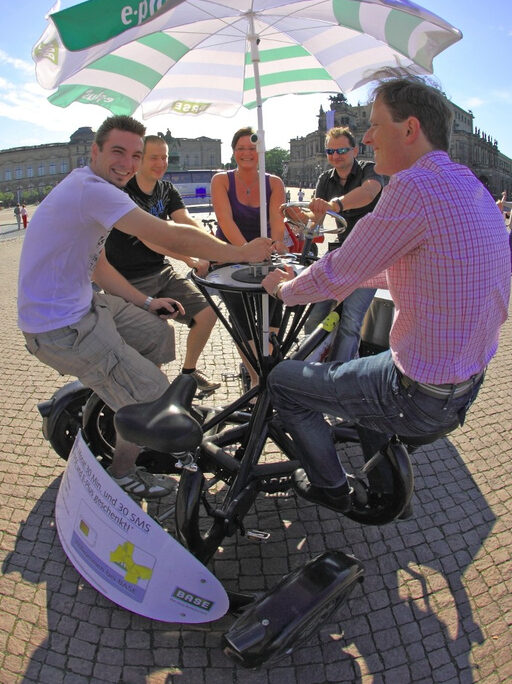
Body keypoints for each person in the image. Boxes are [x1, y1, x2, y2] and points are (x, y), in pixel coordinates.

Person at [262, 77, 510, 513]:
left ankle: (331, 487)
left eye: (375, 125)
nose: (368, 138)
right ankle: (385, 486)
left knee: (282, 381)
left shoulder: (413, 186)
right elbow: (422, 267)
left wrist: (283, 289)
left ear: (410, 129)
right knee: (361, 368)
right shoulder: (469, 184)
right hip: (467, 380)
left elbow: (338, 270)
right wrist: (350, 277)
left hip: (419, 393)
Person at [18, 115, 272, 499]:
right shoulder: (92, 190)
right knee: (152, 392)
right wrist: (239, 253)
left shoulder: (92, 188)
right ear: (95, 151)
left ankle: (124, 398)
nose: (128, 164)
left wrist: (146, 301)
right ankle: (123, 470)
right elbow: (165, 233)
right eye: (118, 152)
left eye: (135, 155)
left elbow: (99, 268)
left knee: (158, 335)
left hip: (85, 306)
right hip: (60, 327)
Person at [105, 135, 219, 393]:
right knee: (154, 336)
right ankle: (154, 393)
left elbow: (185, 221)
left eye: (164, 157)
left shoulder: (166, 189)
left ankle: (189, 374)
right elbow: (150, 238)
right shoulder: (124, 192)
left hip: (161, 272)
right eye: (154, 157)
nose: (161, 163)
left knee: (207, 313)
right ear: (139, 159)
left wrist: (211, 245)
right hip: (127, 280)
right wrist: (190, 258)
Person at [211, 127, 288, 388]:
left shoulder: (274, 182)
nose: (246, 153)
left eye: (252, 148)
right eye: (240, 148)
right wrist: (246, 251)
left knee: (274, 310)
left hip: (264, 255)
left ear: (261, 151)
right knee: (241, 319)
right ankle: (256, 378)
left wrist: (273, 245)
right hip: (230, 256)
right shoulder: (221, 180)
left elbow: (277, 222)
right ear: (233, 152)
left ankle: (268, 365)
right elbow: (225, 221)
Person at [302, 126, 385, 363]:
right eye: (330, 151)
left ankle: (341, 370)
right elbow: (315, 220)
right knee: (314, 315)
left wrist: (335, 204)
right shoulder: (325, 179)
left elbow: (368, 193)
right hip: (340, 253)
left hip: (370, 257)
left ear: (355, 151)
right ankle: (311, 363)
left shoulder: (370, 169)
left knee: (351, 319)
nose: (335, 155)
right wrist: (299, 217)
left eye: (341, 150)